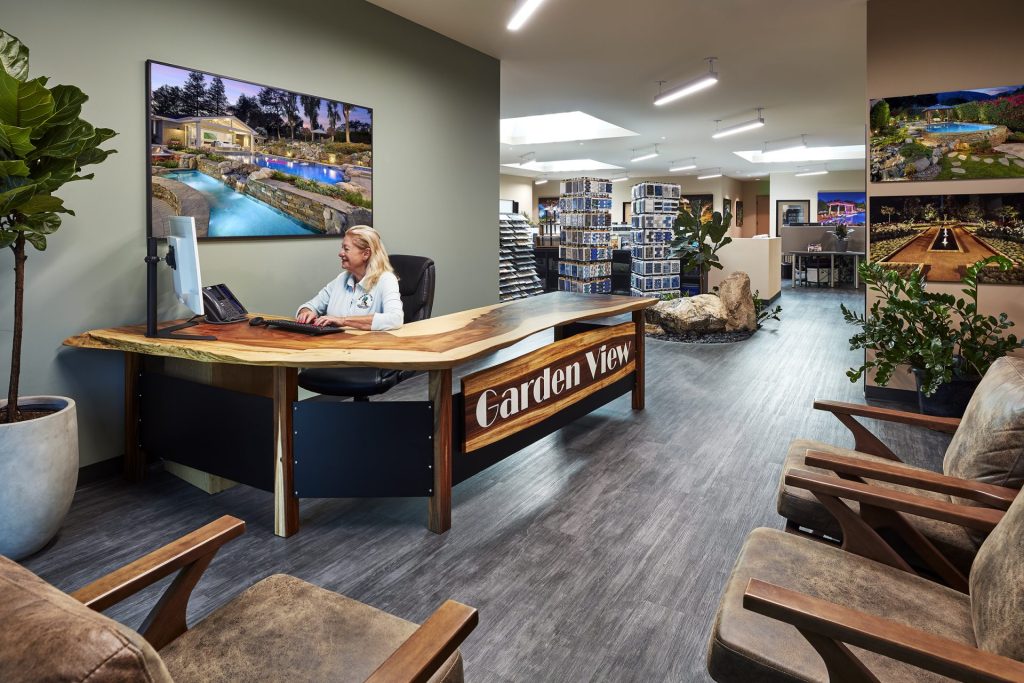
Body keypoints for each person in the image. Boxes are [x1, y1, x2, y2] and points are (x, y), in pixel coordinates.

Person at [296, 225, 403, 331]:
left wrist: (343, 321)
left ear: (366, 254)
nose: (340, 253)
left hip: (365, 345)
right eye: (342, 247)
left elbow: (395, 319)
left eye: (346, 249)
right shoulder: (342, 279)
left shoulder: (386, 279)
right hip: (333, 345)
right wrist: (306, 312)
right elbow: (310, 305)